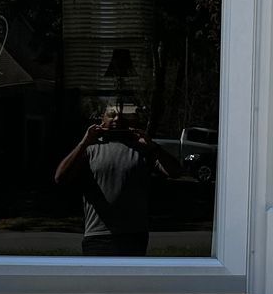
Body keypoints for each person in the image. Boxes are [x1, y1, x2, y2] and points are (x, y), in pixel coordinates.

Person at [52, 102, 182, 257]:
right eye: (112, 114)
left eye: (124, 115)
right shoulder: (90, 149)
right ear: (102, 118)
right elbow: (60, 177)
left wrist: (152, 146)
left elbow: (175, 172)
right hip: (97, 235)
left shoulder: (142, 149)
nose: (117, 119)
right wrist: (84, 142)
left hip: (133, 236)